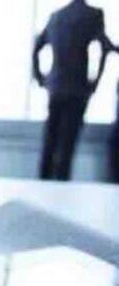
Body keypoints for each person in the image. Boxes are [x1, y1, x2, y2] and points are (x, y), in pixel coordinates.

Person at [33, 0, 111, 181]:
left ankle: (42, 186)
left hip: (56, 86)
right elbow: (104, 48)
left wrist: (40, 77)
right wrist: (96, 80)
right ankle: (60, 189)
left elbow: (37, 47)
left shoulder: (57, 17)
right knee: (66, 147)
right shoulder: (93, 15)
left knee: (50, 144)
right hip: (77, 87)